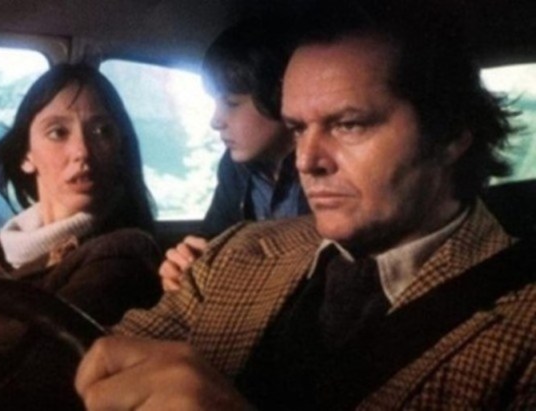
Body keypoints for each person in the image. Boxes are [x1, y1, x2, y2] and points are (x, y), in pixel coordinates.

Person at [74, 4, 536, 410]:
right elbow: (98, 361)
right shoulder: (238, 251)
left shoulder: (522, 328)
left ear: (449, 134)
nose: (306, 161)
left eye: (349, 125)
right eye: (297, 129)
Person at [0, 63, 162, 410]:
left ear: (120, 150)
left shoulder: (124, 254)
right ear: (25, 156)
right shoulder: (2, 247)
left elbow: (47, 375)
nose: (82, 150)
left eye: (102, 131)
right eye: (58, 132)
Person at [159, 18, 309, 292]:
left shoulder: (319, 166)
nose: (215, 121)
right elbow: (213, 238)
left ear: (278, 95)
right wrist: (184, 263)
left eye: (231, 103)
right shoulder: (235, 167)